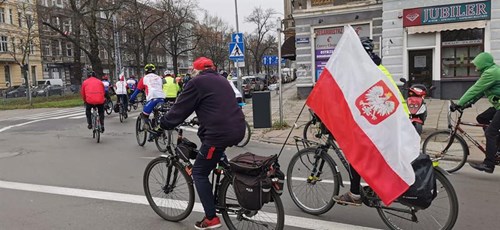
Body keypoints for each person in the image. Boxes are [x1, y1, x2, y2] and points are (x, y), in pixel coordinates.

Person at [160, 57, 245, 229]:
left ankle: (211, 218)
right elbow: (217, 105)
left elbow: (181, 108)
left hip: (218, 134)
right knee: (215, 158)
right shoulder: (222, 80)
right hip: (238, 128)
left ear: (196, 71)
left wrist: (164, 123)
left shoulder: (197, 82)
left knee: (199, 172)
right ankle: (229, 180)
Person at [333, 38, 410, 206]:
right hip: (399, 120)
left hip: (390, 122)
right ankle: (376, 186)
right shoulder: (377, 67)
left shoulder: (365, 73)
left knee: (356, 153)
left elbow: (351, 101)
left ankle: (355, 194)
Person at [451, 52, 500, 174]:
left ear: (483, 63)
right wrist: (469, 103)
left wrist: (459, 103)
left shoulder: (491, 73)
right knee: (482, 119)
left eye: (477, 64)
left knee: (490, 133)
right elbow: (481, 92)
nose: (475, 67)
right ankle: (496, 147)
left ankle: (489, 164)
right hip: (498, 105)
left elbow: (475, 89)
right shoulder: (491, 71)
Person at [129, 64, 166, 134]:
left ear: (145, 71)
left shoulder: (144, 78)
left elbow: (137, 91)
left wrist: (131, 99)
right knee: (157, 114)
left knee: (144, 114)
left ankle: (147, 126)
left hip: (152, 98)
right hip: (161, 98)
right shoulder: (159, 78)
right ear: (154, 70)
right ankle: (154, 130)